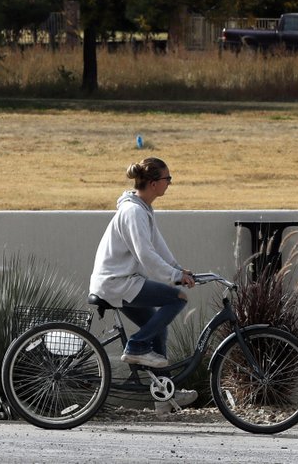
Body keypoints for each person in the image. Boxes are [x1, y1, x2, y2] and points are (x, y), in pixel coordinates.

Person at [88, 157, 197, 415]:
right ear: (152, 183)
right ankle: (136, 346)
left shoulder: (143, 208)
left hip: (122, 281)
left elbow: (158, 247)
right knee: (177, 298)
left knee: (158, 331)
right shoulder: (134, 211)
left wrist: (178, 269)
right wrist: (174, 278)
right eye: (166, 179)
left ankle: (163, 397)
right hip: (118, 283)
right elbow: (145, 255)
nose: (169, 184)